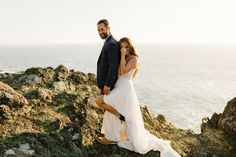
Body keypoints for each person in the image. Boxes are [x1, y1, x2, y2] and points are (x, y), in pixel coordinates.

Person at [97, 37, 181, 157]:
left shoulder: (134, 59)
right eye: (121, 47)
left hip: (124, 90)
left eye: (126, 46)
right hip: (119, 88)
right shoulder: (125, 57)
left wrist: (121, 56)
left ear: (130, 47)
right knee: (112, 110)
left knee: (99, 101)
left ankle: (119, 119)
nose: (123, 49)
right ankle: (113, 135)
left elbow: (122, 72)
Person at [96, 19, 126, 142]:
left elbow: (114, 66)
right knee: (109, 111)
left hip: (109, 85)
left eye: (102, 29)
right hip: (106, 84)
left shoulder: (112, 44)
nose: (100, 32)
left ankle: (113, 137)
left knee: (110, 108)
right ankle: (110, 135)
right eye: (98, 30)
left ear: (108, 28)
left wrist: (108, 84)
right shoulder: (108, 42)